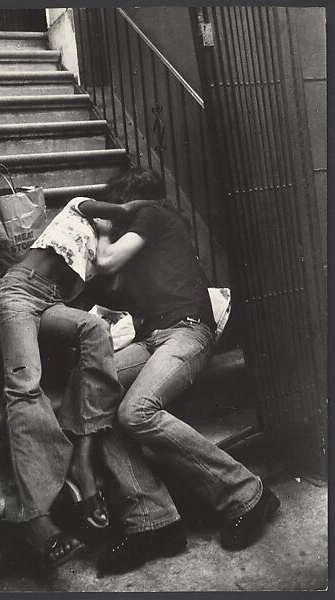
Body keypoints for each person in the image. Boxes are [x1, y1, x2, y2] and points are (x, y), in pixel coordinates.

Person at [91, 167, 281, 574]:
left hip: (187, 332)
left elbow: (105, 263)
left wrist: (104, 229)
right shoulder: (144, 239)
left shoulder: (155, 214)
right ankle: (153, 521)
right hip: (150, 339)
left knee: (135, 411)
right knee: (91, 395)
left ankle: (249, 493)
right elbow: (112, 282)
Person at [0, 195, 185, 568]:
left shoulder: (103, 247)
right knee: (25, 385)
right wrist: (146, 205)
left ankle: (81, 463)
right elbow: (120, 212)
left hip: (52, 302)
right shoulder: (82, 206)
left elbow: (111, 282)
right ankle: (35, 519)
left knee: (95, 329)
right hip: (19, 290)